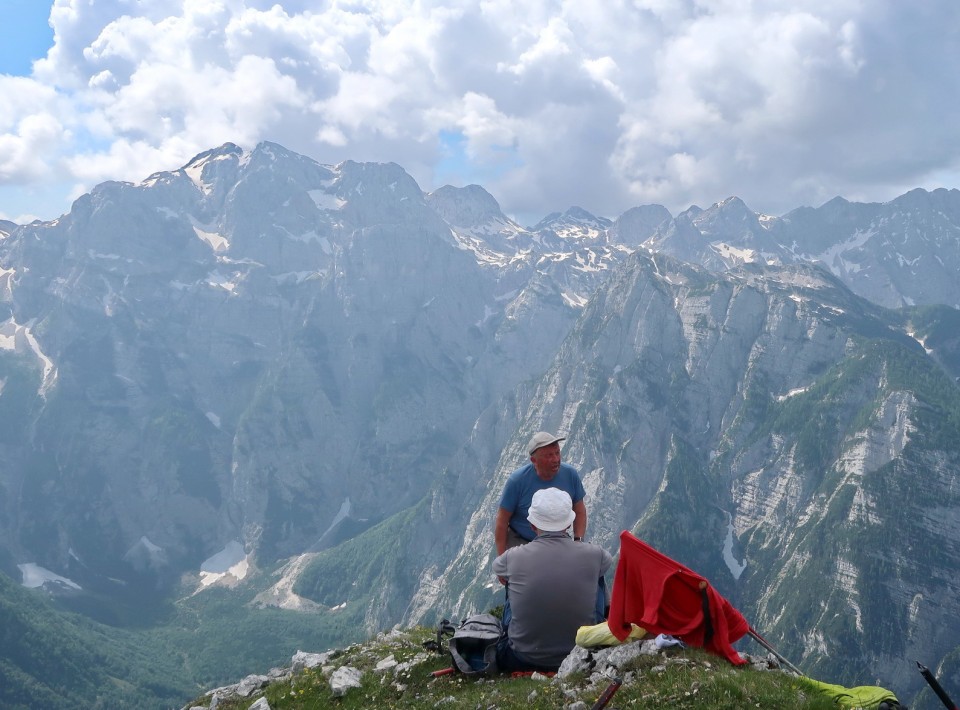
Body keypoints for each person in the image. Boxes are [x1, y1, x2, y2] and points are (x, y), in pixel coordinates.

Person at [493, 488, 613, 672]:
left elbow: (497, 567)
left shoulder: (513, 557)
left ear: (532, 525)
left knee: (511, 580)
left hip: (521, 656)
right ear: (569, 524)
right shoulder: (594, 554)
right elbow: (608, 561)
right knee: (597, 575)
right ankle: (599, 629)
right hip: (582, 650)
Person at [495, 432, 587, 556]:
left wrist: (578, 541)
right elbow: (502, 520)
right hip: (521, 541)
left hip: (558, 540)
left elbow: (579, 510)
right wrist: (501, 558)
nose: (556, 459)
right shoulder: (517, 481)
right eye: (549, 455)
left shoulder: (570, 474)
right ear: (534, 460)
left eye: (557, 453)